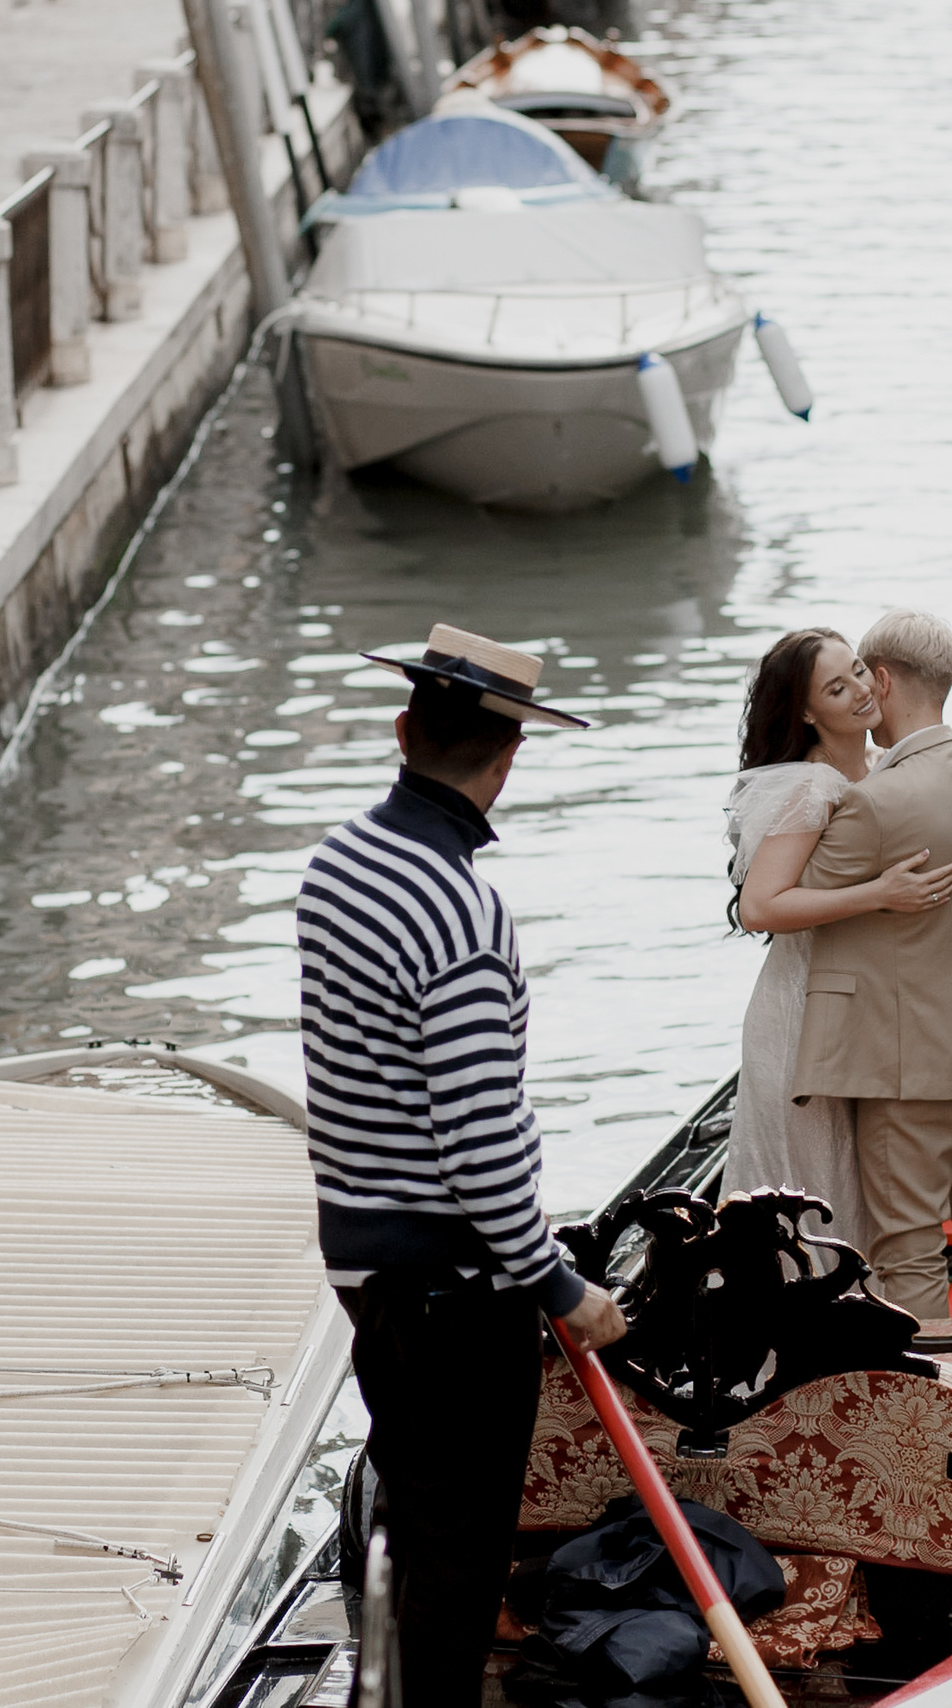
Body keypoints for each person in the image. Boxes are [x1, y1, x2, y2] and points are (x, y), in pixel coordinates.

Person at [296, 623, 628, 1708]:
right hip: (455, 1288)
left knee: (410, 1518)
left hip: (363, 1268)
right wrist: (561, 1287)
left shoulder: (334, 863)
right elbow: (480, 1146)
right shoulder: (463, 911)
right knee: (456, 1560)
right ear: (508, 758)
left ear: (403, 731)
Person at [791, 610, 952, 1322]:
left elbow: (785, 897)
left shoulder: (875, 803)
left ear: (885, 678)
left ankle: (935, 1417)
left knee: (910, 1244)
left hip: (906, 1060)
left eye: (865, 675)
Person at [722, 628, 952, 1232]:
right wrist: (881, 894)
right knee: (812, 1185)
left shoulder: (884, 765)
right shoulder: (813, 785)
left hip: (863, 1004)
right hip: (804, 1009)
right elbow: (760, 908)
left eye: (858, 670)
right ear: (806, 712)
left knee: (860, 1180)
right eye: (836, 687)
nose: (860, 690)